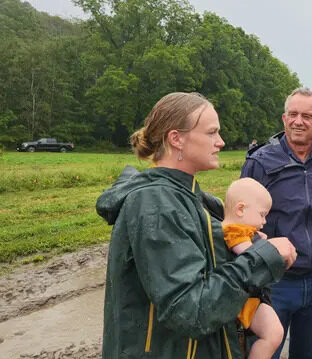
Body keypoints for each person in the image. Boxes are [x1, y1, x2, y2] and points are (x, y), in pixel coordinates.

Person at [96, 92, 297, 359]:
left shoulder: (190, 197)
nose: (221, 142)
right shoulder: (154, 203)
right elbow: (189, 310)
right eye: (212, 133)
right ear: (176, 138)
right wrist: (262, 259)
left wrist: (252, 245)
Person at [240, 87, 312, 359]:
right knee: (264, 352)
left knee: (308, 354)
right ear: (284, 118)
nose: (298, 121)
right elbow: (240, 223)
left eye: (306, 115)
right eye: (293, 114)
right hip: (273, 283)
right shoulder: (259, 163)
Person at [222, 178, 284, 359]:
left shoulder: (239, 230)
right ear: (240, 209)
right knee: (273, 334)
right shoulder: (234, 231)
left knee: (274, 333)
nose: (264, 221)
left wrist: (255, 236)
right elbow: (253, 258)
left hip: (246, 298)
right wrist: (267, 247)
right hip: (245, 302)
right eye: (262, 215)